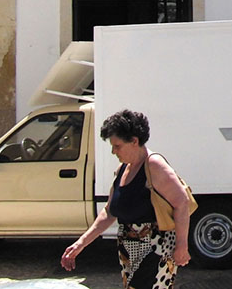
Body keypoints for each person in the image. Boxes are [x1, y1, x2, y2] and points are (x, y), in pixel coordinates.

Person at [61, 109, 191, 288]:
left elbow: (182, 202)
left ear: (134, 141)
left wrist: (182, 246)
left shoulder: (154, 165)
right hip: (128, 251)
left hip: (155, 249)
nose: (114, 151)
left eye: (117, 146)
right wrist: (81, 243)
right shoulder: (123, 168)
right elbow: (109, 212)